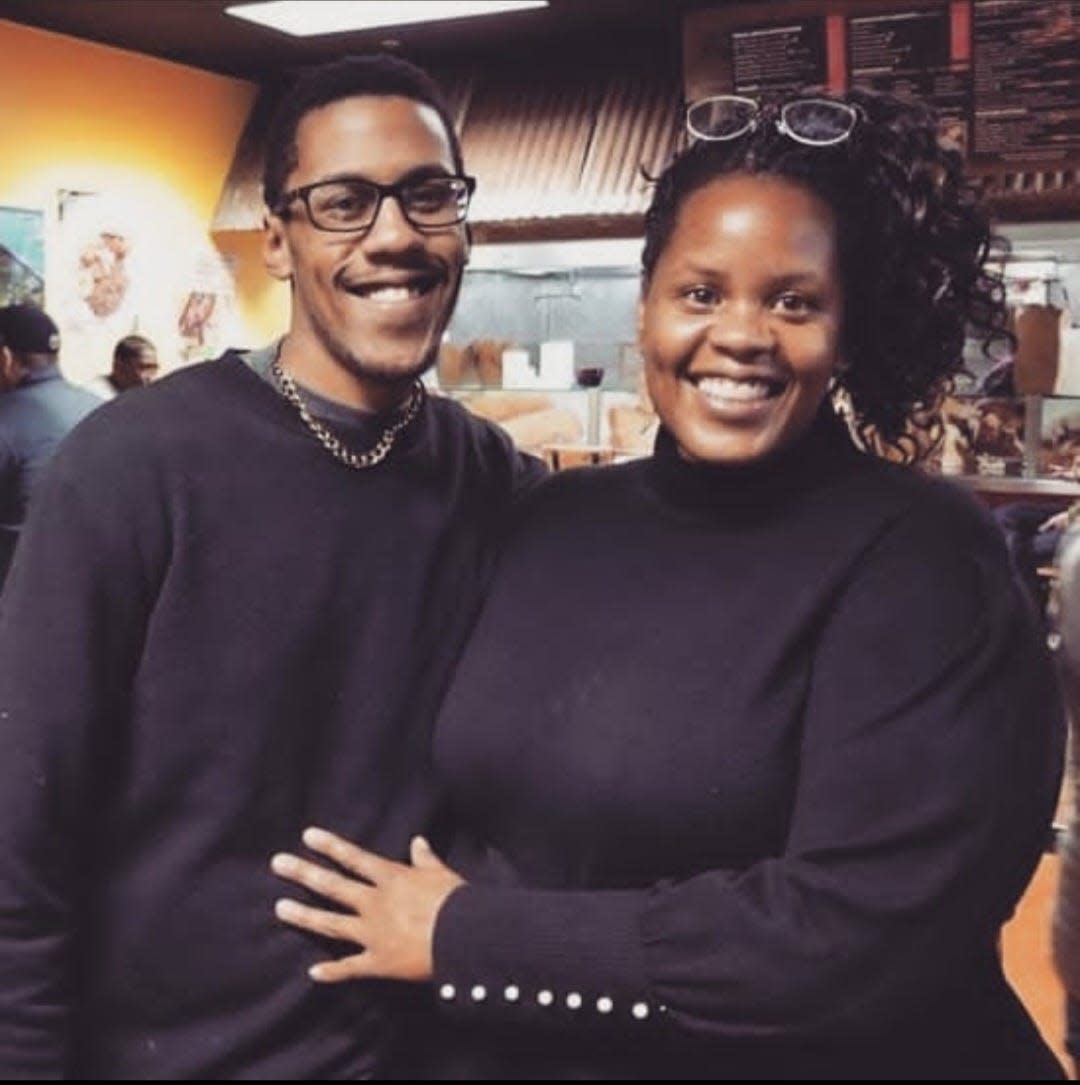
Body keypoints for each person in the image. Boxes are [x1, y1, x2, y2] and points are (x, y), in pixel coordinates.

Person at [271, 89, 1067, 1079]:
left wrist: (471, 938)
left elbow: (857, 938)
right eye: (701, 292)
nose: (741, 334)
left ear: (848, 329)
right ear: (647, 307)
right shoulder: (549, 519)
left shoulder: (924, 561)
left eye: (794, 300)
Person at [0, 54, 543, 1079]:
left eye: (428, 194)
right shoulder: (130, 469)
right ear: (280, 243)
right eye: (343, 203)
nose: (393, 234)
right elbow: (21, 837)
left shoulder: (494, 479)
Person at [0, 302, 101, 585]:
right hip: (93, 590)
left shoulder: (7, 417)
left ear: (6, 358)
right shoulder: (102, 408)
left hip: (18, 593)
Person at [87, 332, 160, 398]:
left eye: (154, 369)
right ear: (119, 367)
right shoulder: (95, 395)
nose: (150, 377)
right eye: (143, 368)